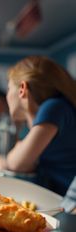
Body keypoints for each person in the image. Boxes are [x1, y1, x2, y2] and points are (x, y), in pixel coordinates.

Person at [6, 55, 76, 196]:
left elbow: (18, 163)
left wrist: (18, 151)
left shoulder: (54, 107)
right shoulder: (53, 112)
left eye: (8, 88)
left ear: (22, 89)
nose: (7, 95)